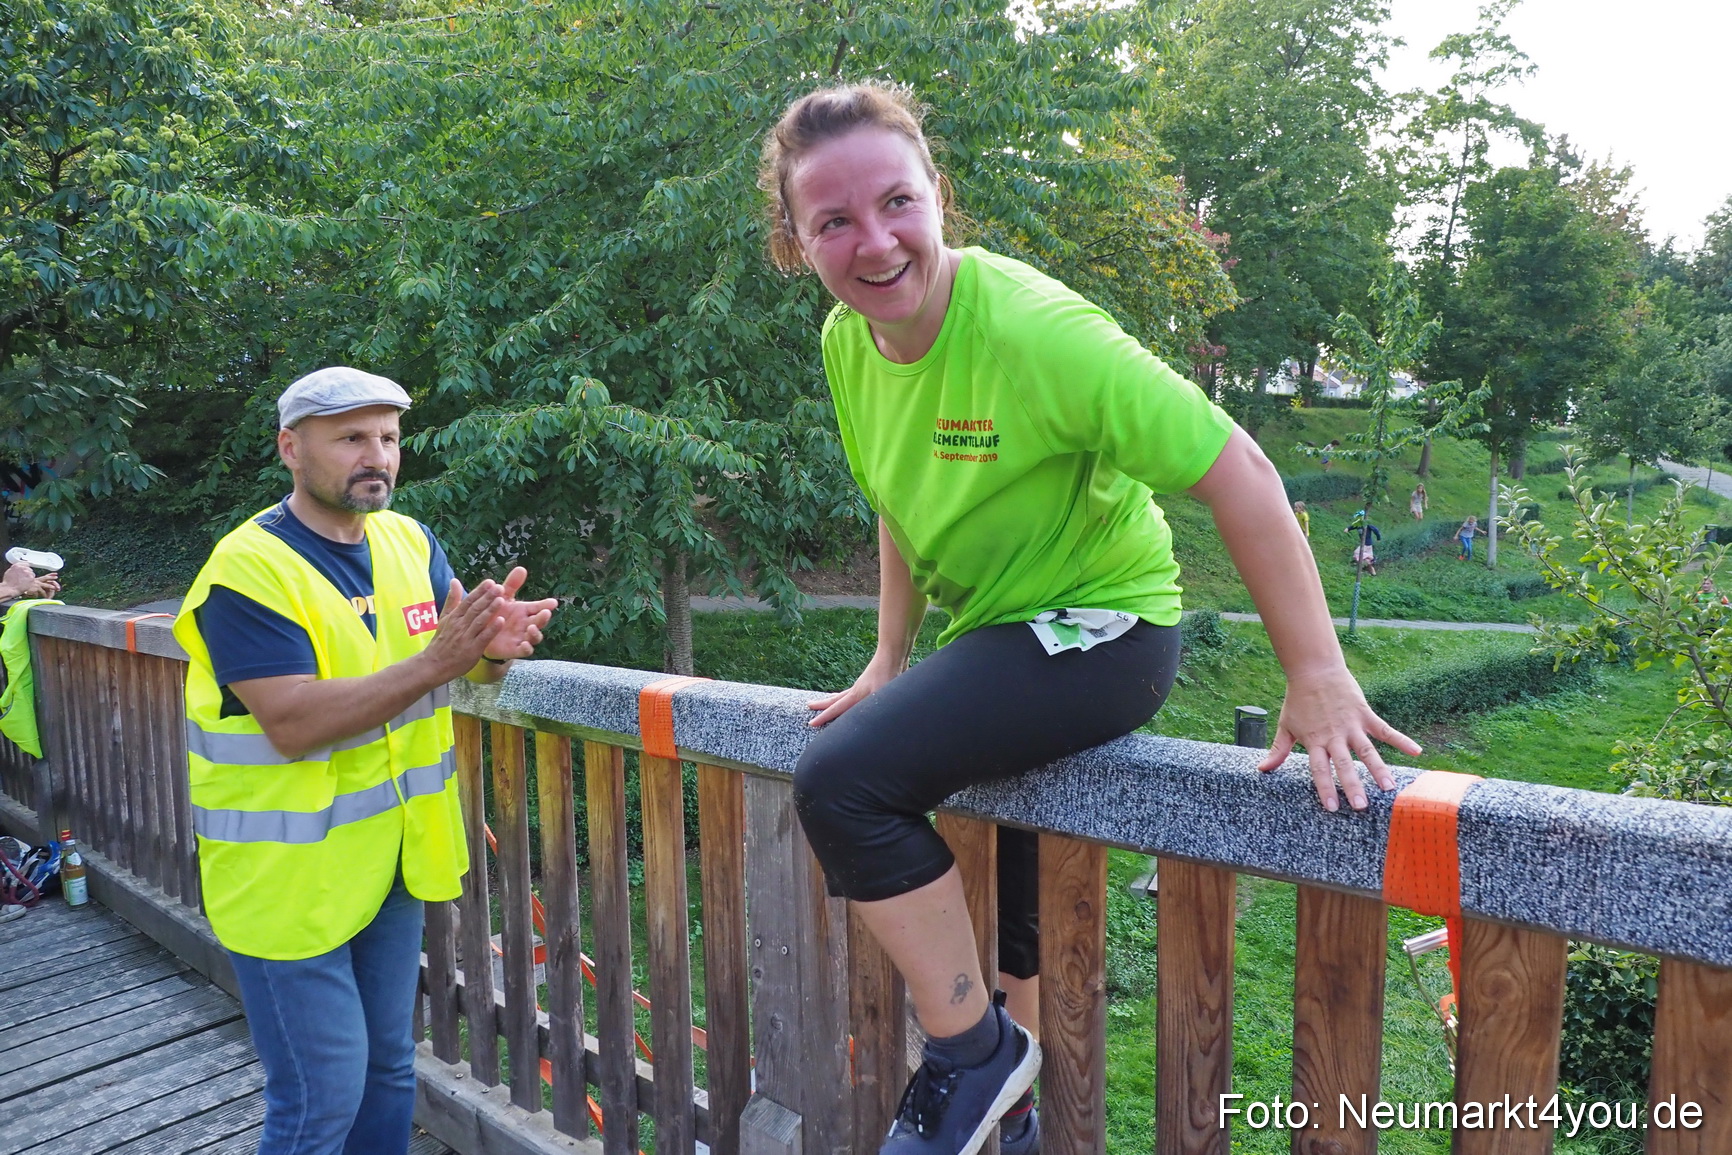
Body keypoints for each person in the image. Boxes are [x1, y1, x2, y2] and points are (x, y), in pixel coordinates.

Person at [760, 82, 1418, 1155]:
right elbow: (895, 495)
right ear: (795, 240)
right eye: (832, 221)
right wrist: (887, 656)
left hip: (1105, 631)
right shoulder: (848, 341)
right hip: (996, 636)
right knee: (1006, 885)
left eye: (897, 203)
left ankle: (971, 1057)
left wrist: (1317, 672)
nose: (873, 243)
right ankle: (1007, 1113)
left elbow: (1240, 470)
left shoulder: (1032, 330)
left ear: (939, 197)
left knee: (844, 784)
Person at [172, 367, 557, 1155]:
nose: (375, 454)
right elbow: (291, 721)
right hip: (285, 882)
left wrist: (495, 654)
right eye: (350, 437)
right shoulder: (247, 569)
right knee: (322, 1094)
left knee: (388, 1070)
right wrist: (438, 663)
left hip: (389, 864)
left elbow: (464, 662)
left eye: (387, 436)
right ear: (291, 448)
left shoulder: (410, 542)